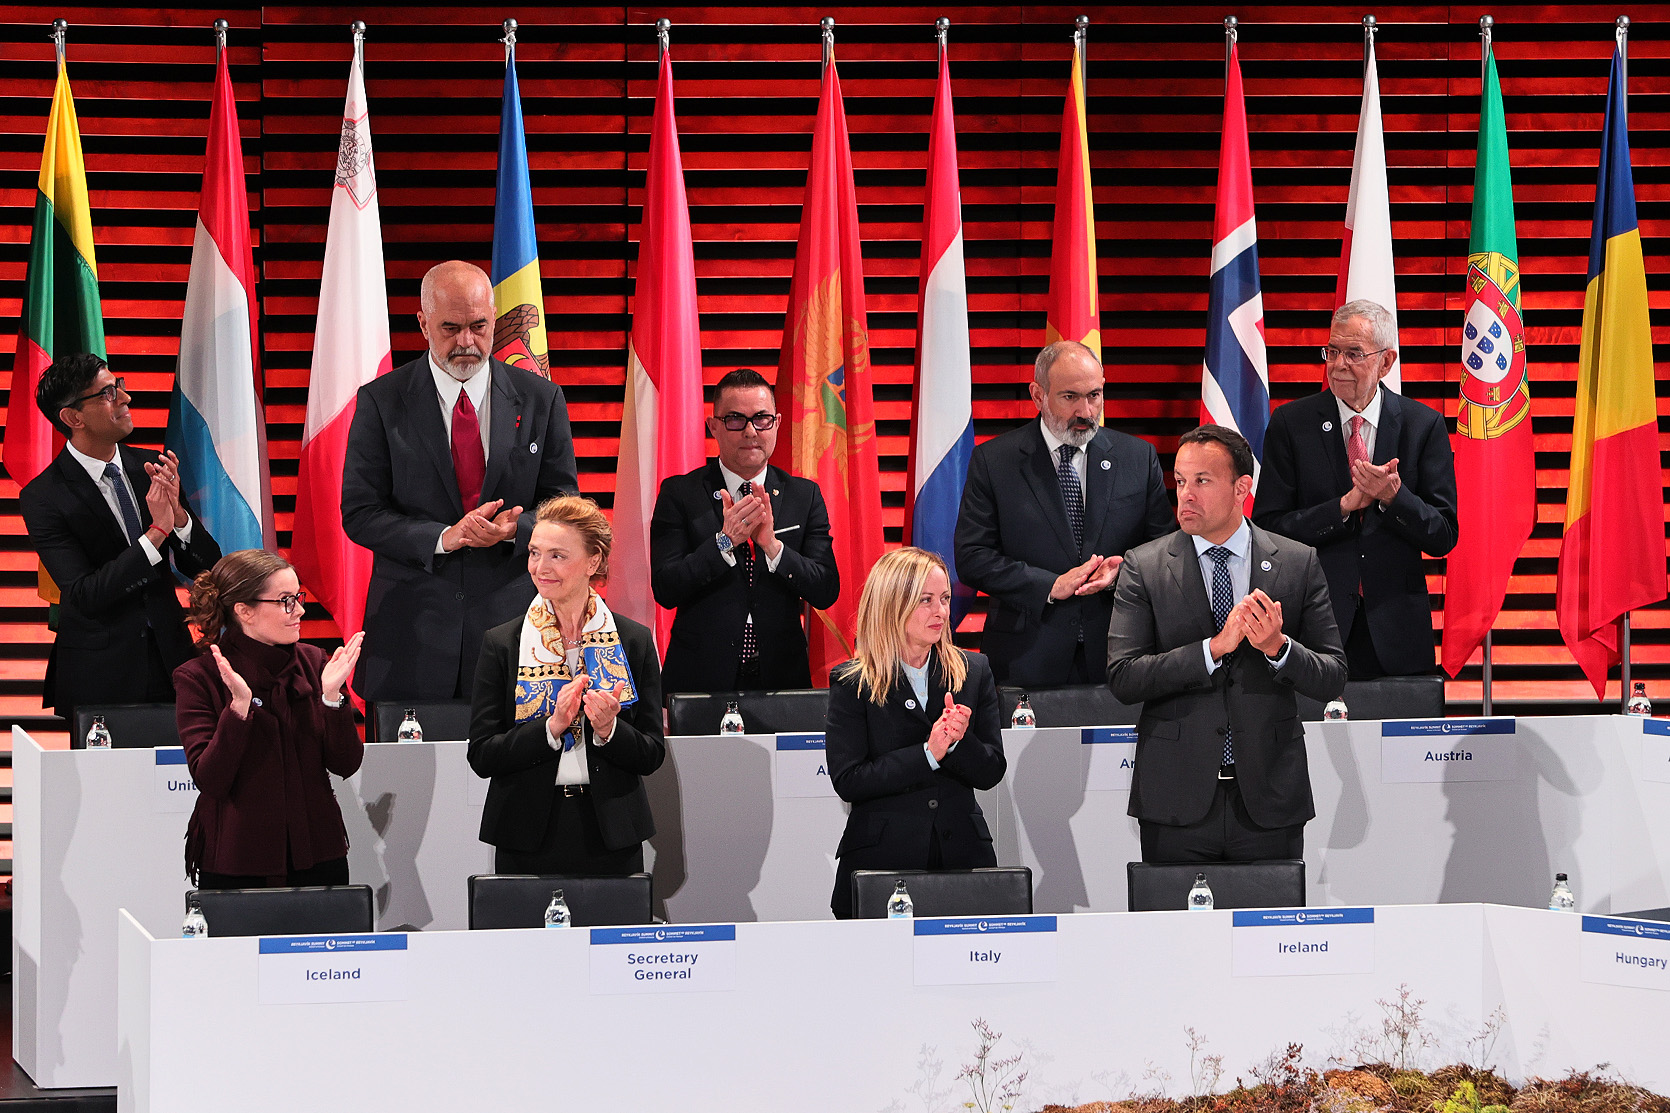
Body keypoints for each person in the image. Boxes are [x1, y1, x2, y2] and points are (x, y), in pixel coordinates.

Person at [341, 260, 578, 703]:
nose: (466, 341)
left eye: (479, 326)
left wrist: (518, 529)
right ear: (423, 324)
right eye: (450, 328)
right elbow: (360, 513)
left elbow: (564, 503)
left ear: (494, 318)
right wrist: (443, 538)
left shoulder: (541, 398)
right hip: (411, 635)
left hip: (516, 633)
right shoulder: (381, 401)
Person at [1108, 425, 1346, 864]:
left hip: (1269, 800)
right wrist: (1212, 649)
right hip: (1175, 799)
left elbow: (1332, 676)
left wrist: (1279, 648)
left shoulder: (1298, 562)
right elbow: (1124, 677)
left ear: (1241, 488)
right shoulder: (1144, 566)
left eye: (1202, 480)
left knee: (1270, 913)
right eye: (1181, 480)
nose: (1186, 495)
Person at [1253, 299, 1458, 679]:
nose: (1338, 365)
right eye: (1332, 352)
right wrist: (1342, 508)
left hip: (1397, 629)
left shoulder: (1423, 425)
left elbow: (1443, 535)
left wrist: (1393, 498)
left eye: (1353, 354)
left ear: (1386, 362)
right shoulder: (1291, 423)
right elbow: (1268, 531)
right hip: (1315, 625)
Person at [955, 340, 1174, 688]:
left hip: (1120, 654)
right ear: (1038, 395)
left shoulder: (1137, 457)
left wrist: (1122, 573)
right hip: (1027, 657)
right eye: (1070, 397)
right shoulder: (994, 461)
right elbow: (972, 556)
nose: (1085, 411)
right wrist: (1050, 586)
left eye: (1094, 395)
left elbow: (1165, 551)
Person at [19, 353, 222, 724]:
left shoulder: (151, 467)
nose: (126, 398)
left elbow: (208, 565)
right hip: (101, 676)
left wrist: (178, 519)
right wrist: (157, 533)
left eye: (119, 386)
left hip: (173, 663)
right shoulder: (43, 496)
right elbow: (85, 594)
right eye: (108, 393)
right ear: (73, 418)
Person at [468, 496, 665, 875]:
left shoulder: (634, 641)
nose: (540, 568)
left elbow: (651, 753)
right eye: (534, 553)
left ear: (593, 561)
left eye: (557, 555)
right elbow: (482, 755)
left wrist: (609, 730)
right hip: (526, 833)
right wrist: (551, 728)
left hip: (612, 833)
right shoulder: (502, 643)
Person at [825, 547, 1007, 919]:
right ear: (892, 604)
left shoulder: (974, 671)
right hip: (881, 859)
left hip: (962, 857)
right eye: (926, 600)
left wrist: (959, 742)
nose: (941, 611)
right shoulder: (853, 682)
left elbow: (991, 771)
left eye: (944, 599)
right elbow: (849, 780)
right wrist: (928, 753)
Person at [173, 549, 365, 888]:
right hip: (237, 860)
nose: (300, 610)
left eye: (298, 598)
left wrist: (332, 698)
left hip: (319, 855)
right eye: (286, 601)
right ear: (244, 611)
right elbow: (211, 779)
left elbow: (346, 763)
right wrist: (238, 709)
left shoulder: (315, 662)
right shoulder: (199, 677)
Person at [650, 368, 839, 693]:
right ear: (713, 426)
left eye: (762, 419)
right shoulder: (680, 493)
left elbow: (825, 590)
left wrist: (773, 548)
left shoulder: (804, 495)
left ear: (777, 423)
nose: (751, 431)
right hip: (700, 680)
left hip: (782, 681)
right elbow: (666, 590)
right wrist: (724, 543)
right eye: (736, 420)